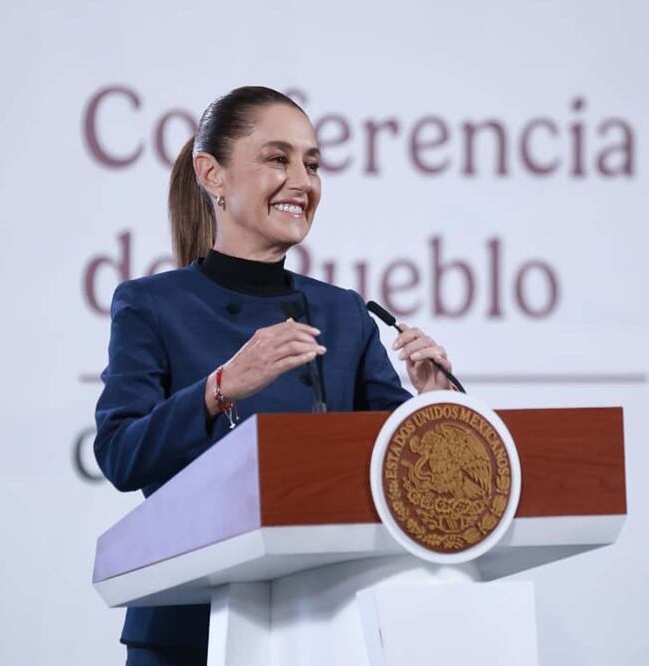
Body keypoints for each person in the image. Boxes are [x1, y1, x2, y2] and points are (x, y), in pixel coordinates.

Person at [93, 86, 455, 666]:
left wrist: (431, 411)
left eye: (312, 164)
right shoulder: (150, 305)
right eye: (278, 159)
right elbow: (120, 455)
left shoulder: (344, 313)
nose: (303, 182)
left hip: (327, 625)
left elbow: (397, 473)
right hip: (190, 628)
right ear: (212, 174)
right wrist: (221, 388)